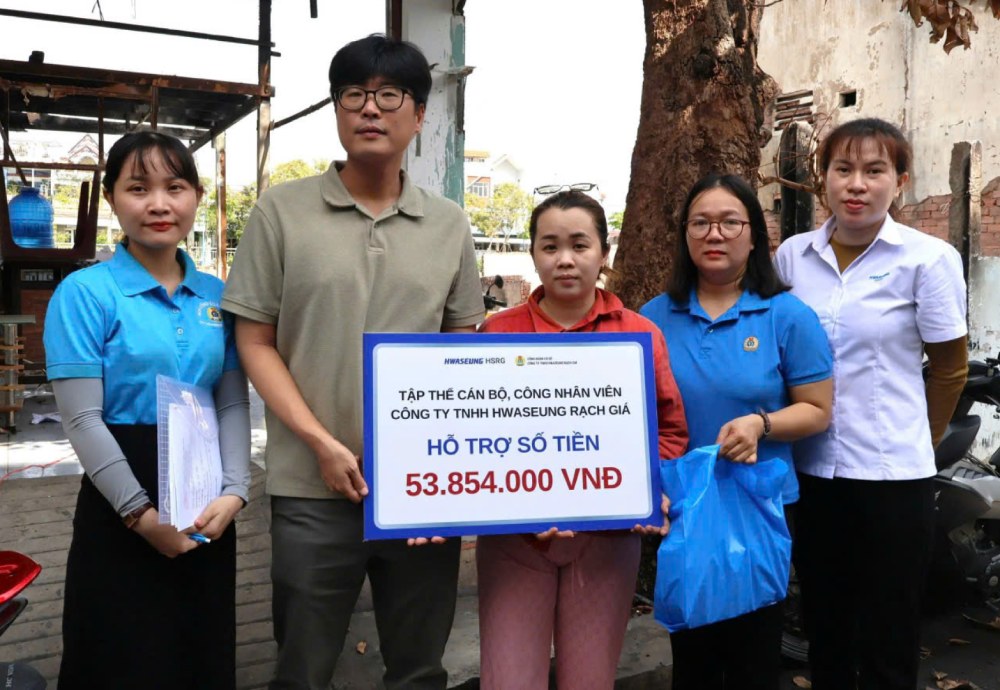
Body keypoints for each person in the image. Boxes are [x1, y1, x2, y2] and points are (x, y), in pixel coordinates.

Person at [221, 35, 485, 690]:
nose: (370, 109)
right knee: (303, 666)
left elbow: (462, 353)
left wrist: (444, 477)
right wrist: (318, 442)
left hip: (420, 494)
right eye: (353, 95)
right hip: (311, 489)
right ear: (337, 112)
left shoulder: (449, 225)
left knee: (420, 667)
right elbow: (254, 340)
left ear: (419, 115)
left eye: (389, 94)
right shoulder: (281, 211)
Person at [44, 131, 251, 689]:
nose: (158, 204)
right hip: (123, 497)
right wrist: (141, 514)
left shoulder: (216, 295)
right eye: (138, 188)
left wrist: (235, 490)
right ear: (112, 197)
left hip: (204, 494)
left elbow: (230, 401)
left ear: (197, 197)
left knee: (199, 649)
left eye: (175, 187)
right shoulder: (86, 293)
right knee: (119, 652)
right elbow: (83, 419)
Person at [774, 117, 968, 690]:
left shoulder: (927, 260)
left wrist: (917, 442)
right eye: (843, 169)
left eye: (874, 170)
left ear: (900, 181)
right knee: (826, 632)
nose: (857, 184)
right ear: (824, 179)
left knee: (889, 637)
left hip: (894, 478)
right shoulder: (792, 258)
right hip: (813, 472)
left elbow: (951, 369)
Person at [476, 190, 688, 689]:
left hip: (607, 539)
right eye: (550, 247)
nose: (565, 260)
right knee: (508, 679)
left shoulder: (639, 334)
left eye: (579, 245)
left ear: (603, 254)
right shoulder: (495, 334)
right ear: (533, 254)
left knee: (590, 679)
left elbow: (670, 429)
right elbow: (474, 436)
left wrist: (640, 489)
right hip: (513, 540)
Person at [639, 173, 833, 689]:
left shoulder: (787, 315)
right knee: (694, 657)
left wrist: (762, 423)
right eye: (700, 222)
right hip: (683, 507)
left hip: (759, 506)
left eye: (729, 222)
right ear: (685, 234)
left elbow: (817, 410)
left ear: (753, 235)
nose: (714, 234)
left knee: (753, 659)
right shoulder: (653, 319)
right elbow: (634, 417)